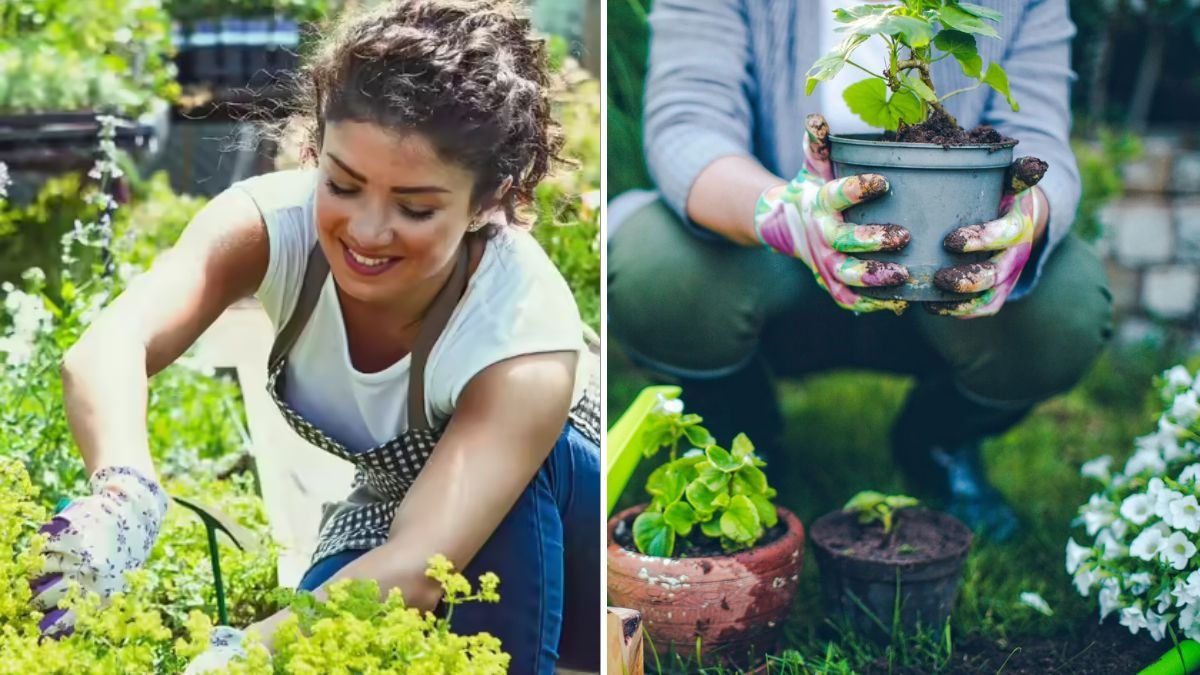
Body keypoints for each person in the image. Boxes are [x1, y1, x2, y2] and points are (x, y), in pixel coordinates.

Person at [26, 2, 600, 673]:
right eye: (343, 184)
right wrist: (125, 490)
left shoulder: (521, 329)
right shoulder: (273, 226)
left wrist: (239, 657)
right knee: (321, 638)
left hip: (563, 527)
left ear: (487, 200)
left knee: (486, 530)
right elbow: (110, 345)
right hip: (393, 510)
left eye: (414, 207)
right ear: (314, 151)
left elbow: (419, 567)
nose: (367, 230)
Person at [608, 0, 1112, 542]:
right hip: (768, 257)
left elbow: (1037, 135)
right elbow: (688, 125)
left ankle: (937, 438)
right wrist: (786, 215)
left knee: (1067, 307)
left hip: (946, 258)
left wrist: (1025, 220)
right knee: (655, 268)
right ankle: (739, 425)